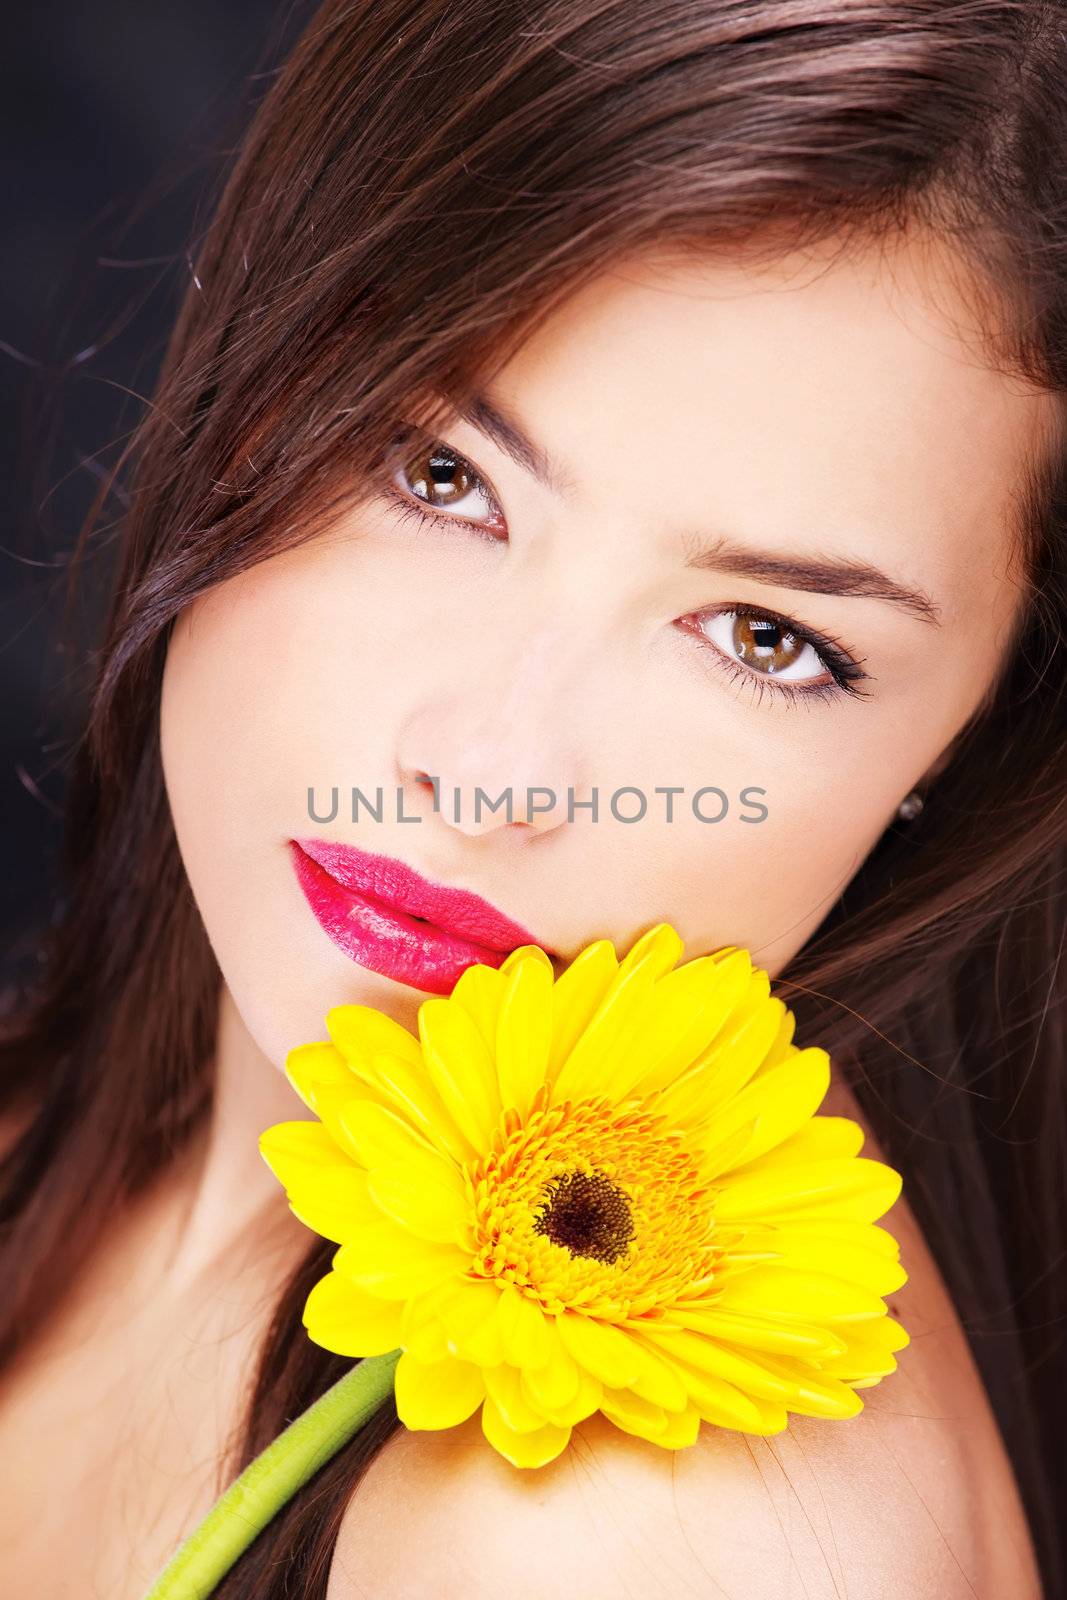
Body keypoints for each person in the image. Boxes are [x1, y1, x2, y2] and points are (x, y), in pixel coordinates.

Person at [1, 1, 1064, 1595]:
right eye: (438, 475)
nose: (489, 768)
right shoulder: (99, 1130)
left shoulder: (611, 1542)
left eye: (769, 642)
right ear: (247, 361)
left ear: (969, 746)